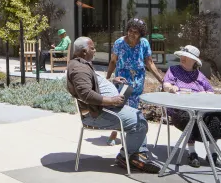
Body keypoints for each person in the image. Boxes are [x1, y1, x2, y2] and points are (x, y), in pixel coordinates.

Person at [67, 36, 160, 174]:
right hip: (96, 115)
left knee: (138, 116)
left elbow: (94, 84)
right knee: (138, 122)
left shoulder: (82, 63)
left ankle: (137, 155)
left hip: (102, 109)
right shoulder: (79, 69)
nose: (95, 50)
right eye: (92, 48)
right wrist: (111, 101)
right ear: (84, 51)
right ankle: (128, 156)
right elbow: (86, 94)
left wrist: (112, 80)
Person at [106, 18, 164, 146]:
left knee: (134, 108)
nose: (132, 34)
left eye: (136, 32)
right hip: (123, 79)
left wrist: (161, 80)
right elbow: (113, 61)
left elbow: (149, 62)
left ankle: (130, 137)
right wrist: (108, 78)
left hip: (138, 79)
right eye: (130, 31)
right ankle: (115, 133)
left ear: (141, 34)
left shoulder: (144, 43)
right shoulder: (119, 43)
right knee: (120, 106)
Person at [163, 44, 221, 168]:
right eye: (182, 55)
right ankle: (192, 152)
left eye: (187, 56)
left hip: (201, 110)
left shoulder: (199, 75)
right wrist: (171, 88)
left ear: (194, 61)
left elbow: (210, 92)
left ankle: (212, 152)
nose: (183, 58)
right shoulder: (173, 70)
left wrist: (203, 93)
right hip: (180, 110)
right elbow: (166, 85)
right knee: (191, 117)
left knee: (216, 118)